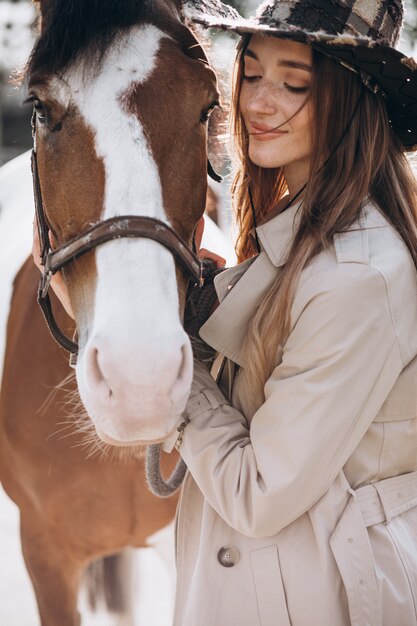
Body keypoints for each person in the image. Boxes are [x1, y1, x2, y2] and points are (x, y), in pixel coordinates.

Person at [33, 0, 417, 624]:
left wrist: (177, 385)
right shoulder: (297, 233)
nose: (259, 104)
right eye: (252, 74)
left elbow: (258, 493)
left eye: (294, 83)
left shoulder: (357, 277)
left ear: (352, 98)